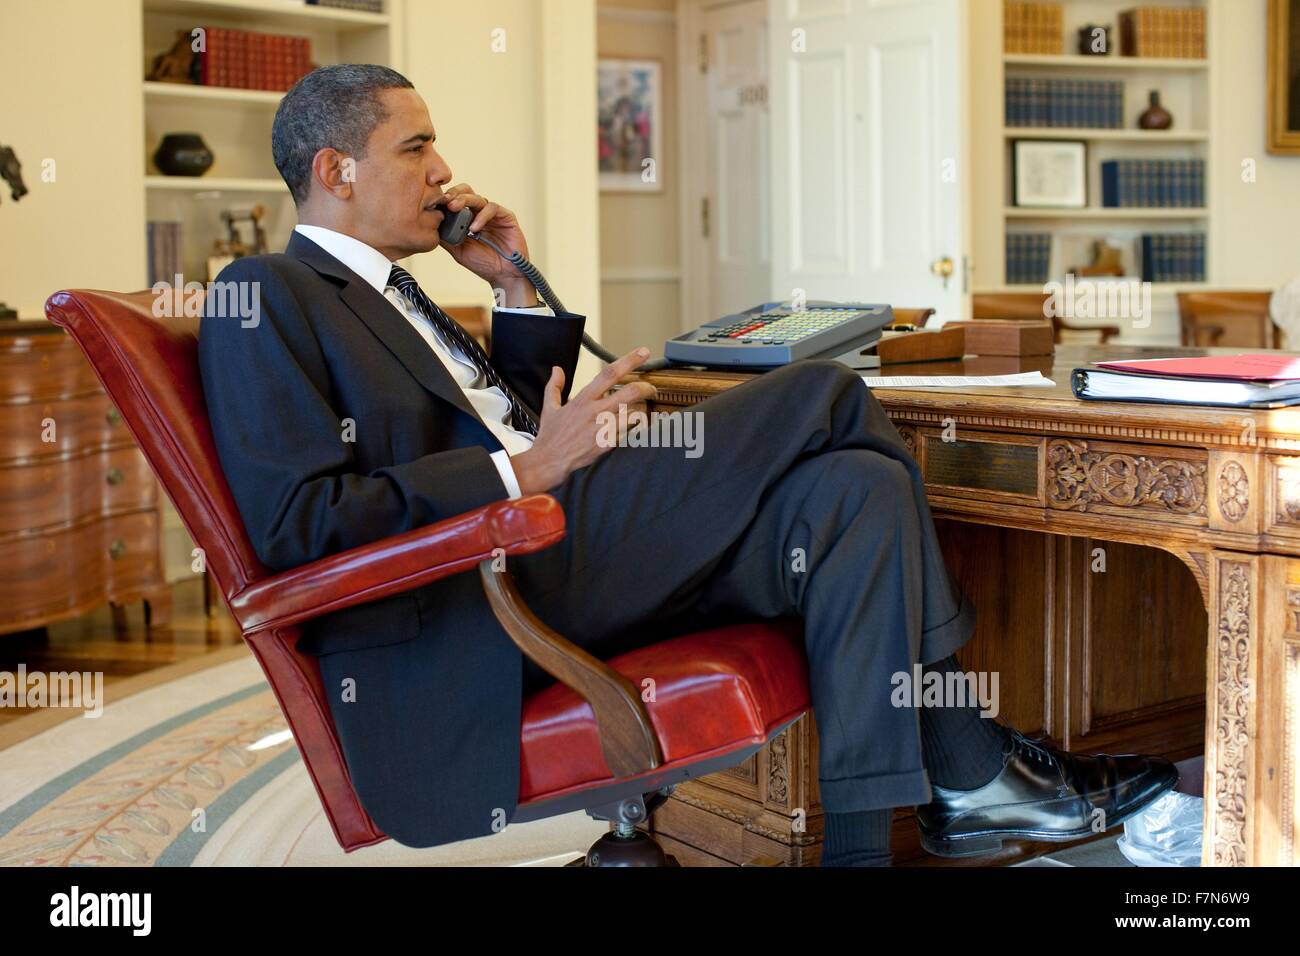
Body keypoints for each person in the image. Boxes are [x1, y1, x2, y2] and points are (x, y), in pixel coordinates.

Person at [197, 64, 1178, 866]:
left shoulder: (399, 294)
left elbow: (499, 421)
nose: (444, 167)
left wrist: (515, 286)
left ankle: (861, 850)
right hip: (481, 592)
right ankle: (969, 763)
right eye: (415, 146)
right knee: (823, 395)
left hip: (550, 537)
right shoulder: (269, 291)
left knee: (856, 491)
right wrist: (529, 474)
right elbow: (300, 520)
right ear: (335, 168)